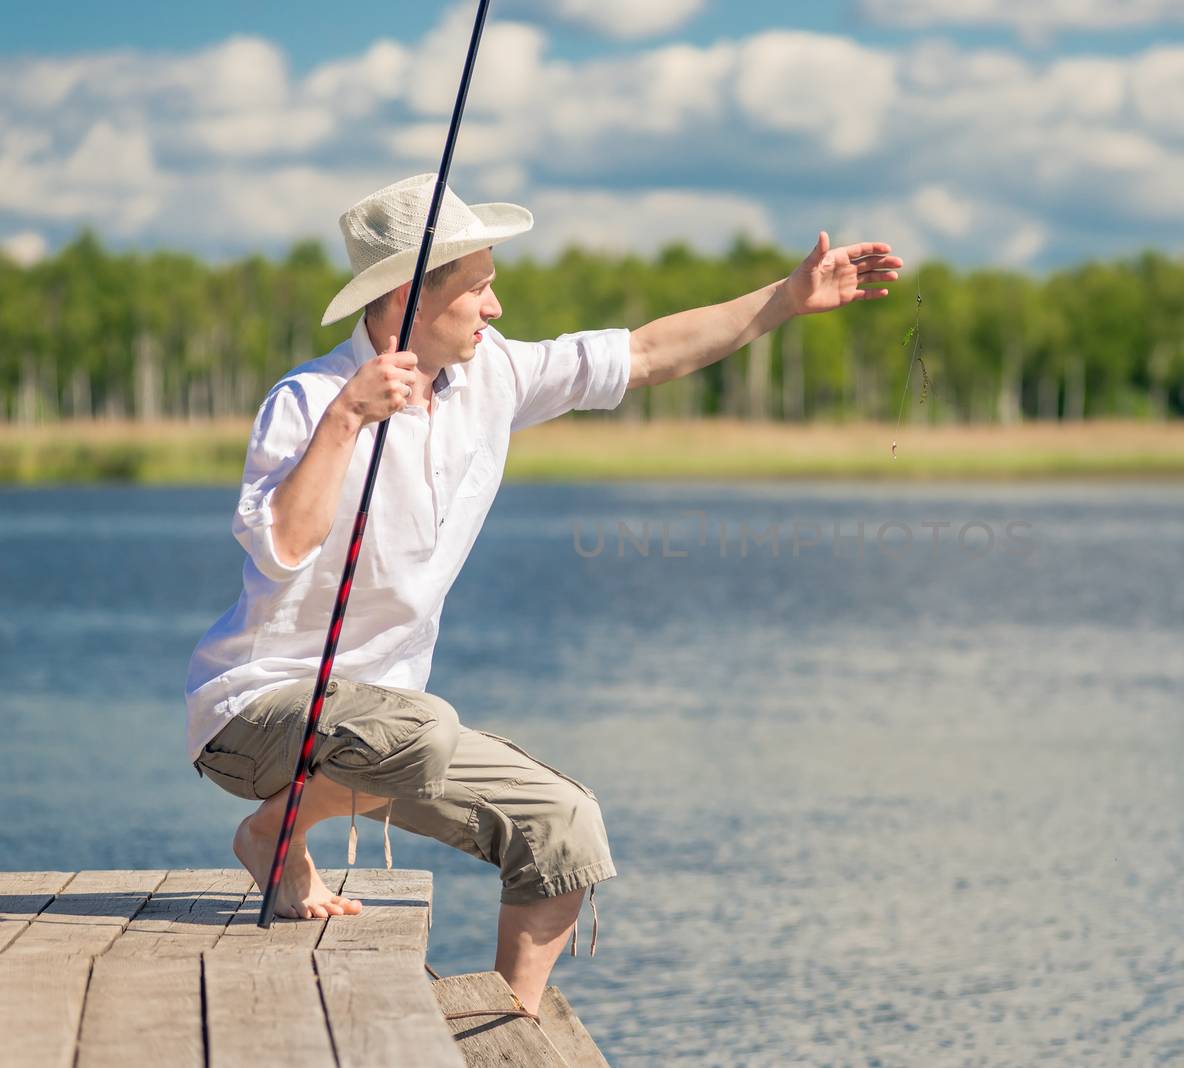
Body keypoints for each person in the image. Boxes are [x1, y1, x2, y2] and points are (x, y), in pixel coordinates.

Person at [184, 173, 900, 1009]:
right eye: (479, 287)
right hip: (257, 717)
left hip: (387, 734)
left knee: (564, 829)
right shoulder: (307, 401)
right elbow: (281, 549)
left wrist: (784, 297)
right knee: (423, 732)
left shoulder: (497, 378)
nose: (495, 307)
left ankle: (508, 1034)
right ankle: (276, 832)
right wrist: (348, 418)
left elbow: (644, 353)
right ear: (411, 298)